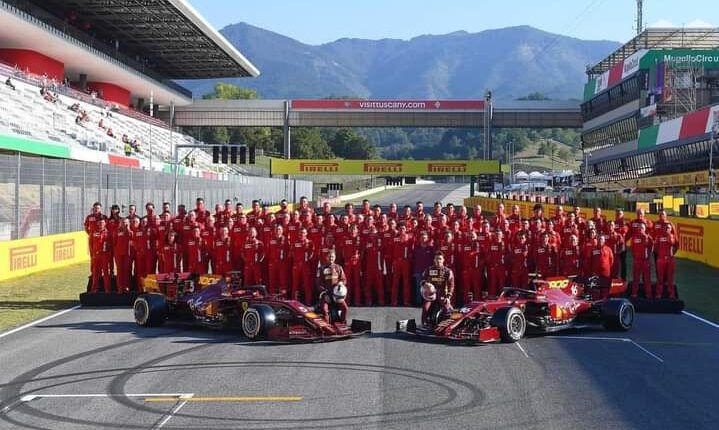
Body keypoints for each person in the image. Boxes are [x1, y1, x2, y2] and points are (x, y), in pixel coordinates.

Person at [420, 253, 455, 326]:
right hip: (431, 295)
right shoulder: (429, 269)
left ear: (443, 260)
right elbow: (422, 280)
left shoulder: (448, 271)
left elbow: (451, 286)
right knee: (425, 308)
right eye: (436, 259)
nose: (438, 260)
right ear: (434, 260)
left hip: (443, 294)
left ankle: (445, 327)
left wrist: (448, 297)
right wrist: (425, 284)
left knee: (447, 309)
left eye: (440, 259)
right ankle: (424, 325)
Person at [316, 250, 348, 324]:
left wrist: (341, 282)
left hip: (336, 295)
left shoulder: (339, 267)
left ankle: (342, 324)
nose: (331, 258)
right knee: (324, 310)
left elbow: (344, 280)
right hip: (326, 294)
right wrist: (324, 293)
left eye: (332, 257)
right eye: (329, 257)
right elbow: (318, 284)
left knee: (345, 308)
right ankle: (327, 328)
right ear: (326, 257)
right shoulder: (321, 268)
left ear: (335, 258)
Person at [391, 224, 414, 306]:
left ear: (406, 229)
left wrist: (409, 259)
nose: (402, 230)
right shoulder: (394, 238)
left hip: (405, 262)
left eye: (403, 228)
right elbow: (391, 249)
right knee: (395, 282)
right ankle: (394, 301)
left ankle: (406, 301)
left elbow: (411, 250)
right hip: (396, 261)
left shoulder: (410, 238)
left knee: (406, 282)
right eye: (400, 229)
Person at [290, 227, 315, 302]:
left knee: (307, 285)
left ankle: (308, 301)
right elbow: (292, 253)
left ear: (306, 233)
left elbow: (312, 253)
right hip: (296, 265)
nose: (302, 234)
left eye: (303, 233)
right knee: (295, 285)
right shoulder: (295, 242)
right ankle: (294, 301)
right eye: (300, 233)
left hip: (306, 265)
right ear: (298, 234)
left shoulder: (310, 242)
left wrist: (306, 260)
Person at [630, 223, 654, 298]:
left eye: (642, 228)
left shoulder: (648, 238)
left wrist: (647, 256)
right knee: (636, 279)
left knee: (647, 279)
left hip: (645, 261)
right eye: (639, 228)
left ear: (645, 229)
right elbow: (632, 248)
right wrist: (636, 256)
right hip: (637, 261)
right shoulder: (634, 238)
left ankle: (648, 294)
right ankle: (634, 293)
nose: (640, 229)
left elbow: (651, 248)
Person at [655, 224, 678, 299]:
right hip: (661, 259)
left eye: (669, 228)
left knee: (670, 279)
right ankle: (658, 294)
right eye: (666, 227)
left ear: (671, 229)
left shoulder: (673, 236)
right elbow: (655, 247)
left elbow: (676, 245)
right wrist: (660, 255)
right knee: (660, 278)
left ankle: (671, 295)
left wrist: (672, 254)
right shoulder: (659, 236)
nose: (667, 229)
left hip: (670, 259)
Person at [90, 219, 112, 293]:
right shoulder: (94, 232)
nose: (101, 224)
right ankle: (94, 288)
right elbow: (91, 244)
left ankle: (107, 289)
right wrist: (92, 254)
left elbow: (111, 244)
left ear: (105, 223)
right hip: (96, 255)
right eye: (99, 223)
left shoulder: (108, 233)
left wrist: (108, 251)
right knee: (95, 273)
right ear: (97, 223)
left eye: (102, 223)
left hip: (105, 255)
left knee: (106, 272)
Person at [267, 225, 290, 295]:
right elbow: (268, 251)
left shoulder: (285, 240)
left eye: (279, 229)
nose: (278, 231)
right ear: (274, 231)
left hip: (282, 263)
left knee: (282, 281)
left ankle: (283, 297)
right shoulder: (271, 239)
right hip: (272, 262)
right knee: (272, 280)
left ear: (282, 231)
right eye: (277, 229)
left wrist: (285, 261)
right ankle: (272, 296)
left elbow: (288, 251)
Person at [113, 219, 133, 293]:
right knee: (120, 271)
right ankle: (120, 287)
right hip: (119, 254)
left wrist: (127, 229)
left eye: (126, 223)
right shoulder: (117, 231)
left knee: (127, 270)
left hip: (127, 254)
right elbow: (114, 242)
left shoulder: (131, 232)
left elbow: (131, 238)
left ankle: (127, 286)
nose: (124, 224)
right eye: (123, 223)